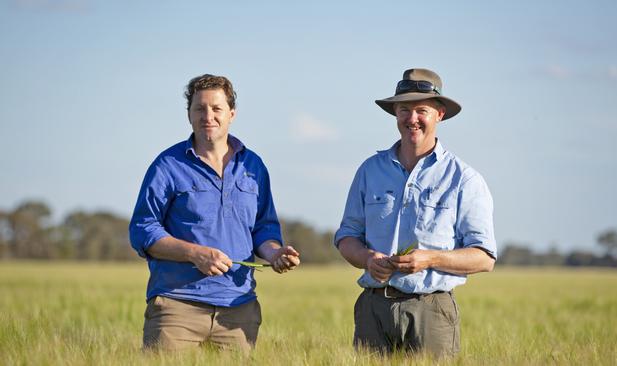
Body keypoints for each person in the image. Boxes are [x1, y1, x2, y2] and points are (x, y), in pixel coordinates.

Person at [129, 74, 300, 353]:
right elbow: (142, 230)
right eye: (200, 108)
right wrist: (194, 253)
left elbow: (263, 228)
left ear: (231, 113)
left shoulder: (254, 166)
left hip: (238, 310)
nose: (208, 116)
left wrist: (275, 254)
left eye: (216, 108)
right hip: (177, 308)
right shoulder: (167, 165)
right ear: (189, 114)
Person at [334, 68, 497, 358]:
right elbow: (347, 237)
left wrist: (431, 258)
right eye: (404, 110)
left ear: (440, 114)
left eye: (422, 110)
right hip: (374, 308)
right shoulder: (370, 171)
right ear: (395, 114)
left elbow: (484, 257)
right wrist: (368, 259)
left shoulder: (464, 179)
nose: (412, 119)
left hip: (431, 311)